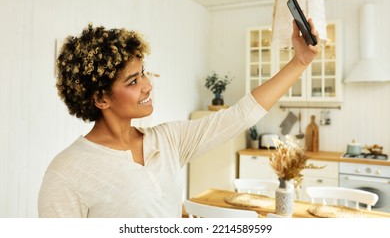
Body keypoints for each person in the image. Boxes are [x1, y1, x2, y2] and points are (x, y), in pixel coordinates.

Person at [38, 20, 319, 218]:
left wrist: (300, 61)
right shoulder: (66, 172)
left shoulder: (168, 140)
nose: (148, 85)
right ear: (101, 99)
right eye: (133, 81)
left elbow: (240, 115)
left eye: (144, 73)